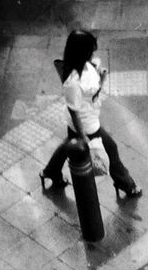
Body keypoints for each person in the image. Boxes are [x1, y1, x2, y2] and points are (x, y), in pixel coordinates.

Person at [40, 28, 142, 199]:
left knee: (68, 146)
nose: (92, 53)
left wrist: (101, 78)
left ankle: (50, 171)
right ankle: (125, 184)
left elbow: (91, 93)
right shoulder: (73, 82)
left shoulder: (87, 65)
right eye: (90, 50)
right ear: (82, 52)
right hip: (87, 125)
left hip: (89, 117)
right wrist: (82, 136)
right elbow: (74, 110)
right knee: (111, 148)